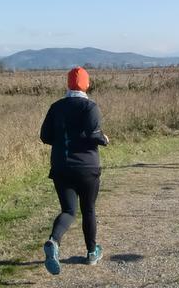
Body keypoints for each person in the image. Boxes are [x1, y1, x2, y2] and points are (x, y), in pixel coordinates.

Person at [40, 66, 109, 275]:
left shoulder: (56, 107)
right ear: (87, 84)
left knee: (69, 210)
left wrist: (62, 141)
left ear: (68, 84)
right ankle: (91, 253)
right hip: (88, 168)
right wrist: (104, 139)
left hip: (61, 167)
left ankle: (53, 241)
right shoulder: (90, 107)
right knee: (88, 209)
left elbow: (45, 137)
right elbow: (93, 135)